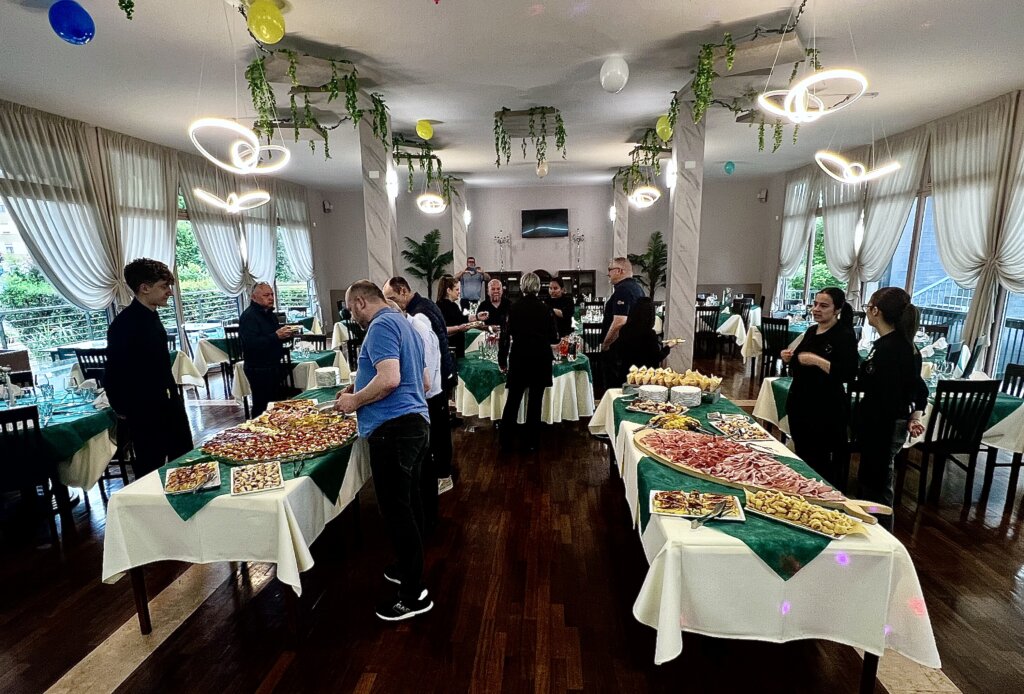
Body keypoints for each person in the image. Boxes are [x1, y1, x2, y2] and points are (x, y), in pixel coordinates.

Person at [334, 280, 433, 621]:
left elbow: (390, 379)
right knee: (410, 506)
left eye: (351, 309)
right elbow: (423, 382)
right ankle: (408, 568)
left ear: (360, 302)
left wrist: (355, 401)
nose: (352, 317)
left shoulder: (380, 326)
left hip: (395, 430)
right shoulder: (404, 324)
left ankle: (413, 595)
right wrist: (359, 385)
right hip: (414, 426)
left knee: (396, 512)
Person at [104, 258, 193, 478]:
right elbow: (114, 372)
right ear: (144, 288)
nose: (169, 292)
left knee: (184, 462)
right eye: (163, 286)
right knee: (151, 469)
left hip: (167, 402)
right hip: (145, 409)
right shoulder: (124, 325)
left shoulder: (151, 316)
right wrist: (125, 409)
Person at [854, 287, 928, 528]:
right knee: (871, 480)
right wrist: (914, 416)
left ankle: (883, 531)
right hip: (882, 423)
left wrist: (912, 415)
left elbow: (902, 391)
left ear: (876, 311)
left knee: (878, 486)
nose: (867, 311)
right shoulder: (900, 345)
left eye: (868, 307)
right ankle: (871, 528)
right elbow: (919, 389)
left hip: (884, 425)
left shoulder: (892, 349)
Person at [780, 287, 860, 490]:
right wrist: (788, 358)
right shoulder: (811, 331)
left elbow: (848, 373)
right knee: (803, 454)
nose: (816, 309)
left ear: (837, 309)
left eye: (823, 306)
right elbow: (798, 362)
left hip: (825, 408)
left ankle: (821, 494)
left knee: (820, 461)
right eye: (815, 304)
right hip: (800, 402)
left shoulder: (844, 335)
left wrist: (816, 360)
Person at [383, 277, 455, 499]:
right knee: (439, 433)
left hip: (432, 388)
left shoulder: (419, 317)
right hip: (436, 383)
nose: (389, 305)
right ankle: (441, 475)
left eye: (392, 298)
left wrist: (421, 392)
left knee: (438, 436)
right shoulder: (423, 306)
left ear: (403, 291)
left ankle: (443, 477)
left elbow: (428, 360)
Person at [388, 298, 446, 526]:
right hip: (423, 401)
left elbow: (425, 382)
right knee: (424, 462)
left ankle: (426, 519)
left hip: (424, 402)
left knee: (423, 464)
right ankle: (426, 517)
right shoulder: (411, 328)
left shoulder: (417, 329)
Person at [498, 272, 559, 453]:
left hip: (520, 357)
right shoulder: (546, 309)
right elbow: (554, 337)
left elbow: (504, 337)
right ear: (538, 287)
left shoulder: (513, 308)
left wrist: (502, 360)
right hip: (541, 358)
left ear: (522, 287)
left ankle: (505, 440)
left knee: (513, 400)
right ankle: (531, 442)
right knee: (535, 402)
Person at [239, 282, 296, 418]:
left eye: (272, 294)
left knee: (275, 404)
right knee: (261, 405)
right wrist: (276, 335)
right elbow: (251, 343)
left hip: (274, 365)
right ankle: (257, 428)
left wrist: (286, 335)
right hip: (258, 368)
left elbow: (274, 339)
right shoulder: (249, 317)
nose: (271, 298)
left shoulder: (270, 315)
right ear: (254, 297)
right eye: (266, 295)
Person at [608, 298, 679, 386]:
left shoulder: (624, 330)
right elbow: (657, 357)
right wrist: (668, 346)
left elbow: (619, 351)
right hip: (646, 378)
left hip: (627, 374)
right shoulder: (649, 334)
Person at [600, 257, 646, 388]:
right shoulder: (637, 288)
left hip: (619, 350)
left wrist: (606, 344)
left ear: (619, 271)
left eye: (610, 269)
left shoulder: (623, 290)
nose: (608, 273)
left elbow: (619, 322)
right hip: (633, 347)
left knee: (615, 387)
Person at [436, 275, 472, 359]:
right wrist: (458, 328)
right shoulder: (440, 307)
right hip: (450, 350)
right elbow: (442, 329)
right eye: (457, 290)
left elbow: (462, 319)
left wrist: (477, 317)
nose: (459, 292)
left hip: (458, 348)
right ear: (448, 290)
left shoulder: (454, 306)